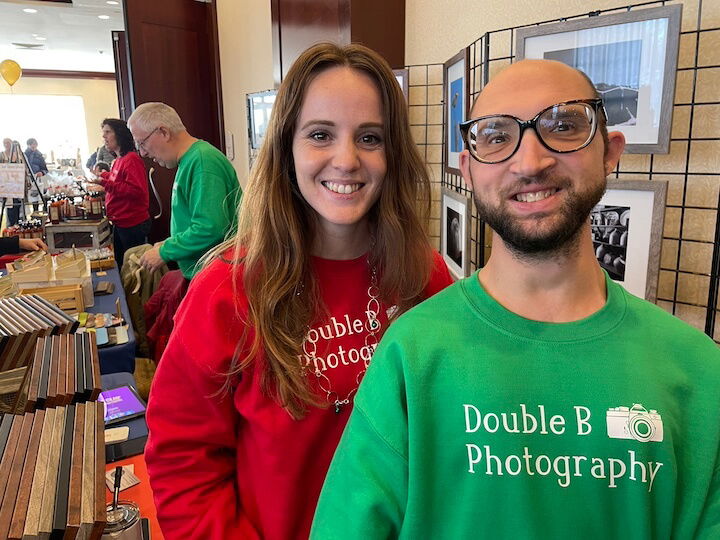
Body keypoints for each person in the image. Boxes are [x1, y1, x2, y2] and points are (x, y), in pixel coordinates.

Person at [311, 60, 720, 539]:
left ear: (610, 153)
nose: (529, 163)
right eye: (496, 136)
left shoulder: (699, 373)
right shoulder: (412, 354)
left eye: (564, 126)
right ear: (468, 169)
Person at [144, 42, 454, 540]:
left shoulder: (425, 277)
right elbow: (184, 467)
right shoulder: (227, 292)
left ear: (392, 153)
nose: (346, 159)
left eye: (370, 137)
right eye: (320, 134)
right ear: (286, 147)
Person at [127, 102, 242, 279]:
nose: (143, 153)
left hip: (216, 276)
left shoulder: (203, 161)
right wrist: (169, 243)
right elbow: (195, 221)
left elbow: (210, 228)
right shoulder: (189, 160)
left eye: (142, 143)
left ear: (163, 132)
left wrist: (166, 251)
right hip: (204, 274)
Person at [88, 119, 150, 268]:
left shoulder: (131, 159)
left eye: (108, 132)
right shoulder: (119, 160)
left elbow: (135, 191)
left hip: (132, 224)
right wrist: (102, 176)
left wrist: (104, 183)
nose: (104, 137)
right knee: (122, 264)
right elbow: (117, 179)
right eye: (103, 133)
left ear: (120, 134)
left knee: (133, 268)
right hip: (121, 222)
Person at [1, 137, 23, 226]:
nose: (7, 145)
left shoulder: (18, 155)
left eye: (8, 143)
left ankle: (18, 223)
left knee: (18, 205)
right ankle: (11, 225)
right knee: (9, 206)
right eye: (5, 143)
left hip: (18, 184)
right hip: (6, 185)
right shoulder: (1, 155)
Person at [24, 138, 48, 210]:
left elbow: (45, 169)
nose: (33, 146)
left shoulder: (39, 155)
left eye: (35, 144)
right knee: (25, 199)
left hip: (36, 179)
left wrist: (42, 172)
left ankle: (36, 213)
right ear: (28, 145)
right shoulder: (24, 154)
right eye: (31, 144)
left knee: (35, 197)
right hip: (26, 178)